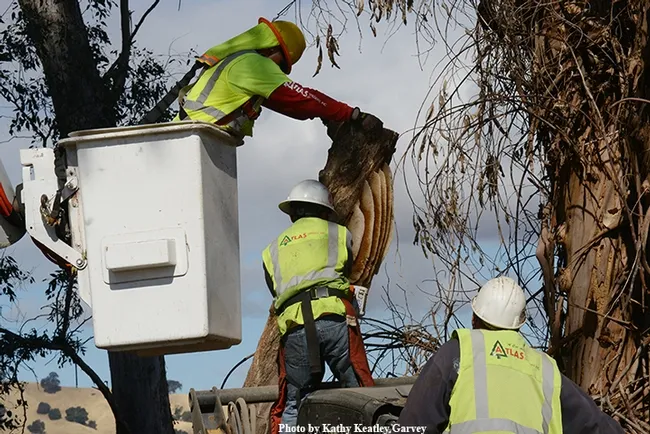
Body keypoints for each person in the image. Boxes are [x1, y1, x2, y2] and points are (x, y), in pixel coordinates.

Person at [398, 275, 625, 434]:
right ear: (518, 326)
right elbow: (595, 426)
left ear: (474, 318)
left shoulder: (457, 354)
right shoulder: (546, 371)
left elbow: (414, 425)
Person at [262, 180, 375, 433]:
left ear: (293, 212)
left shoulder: (271, 250)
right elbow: (346, 269)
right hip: (334, 316)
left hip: (295, 326)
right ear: (324, 210)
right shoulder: (338, 233)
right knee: (357, 391)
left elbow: (276, 290)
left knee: (294, 402)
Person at [174, 17, 383, 139]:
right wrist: (352, 114)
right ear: (271, 48)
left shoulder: (235, 61)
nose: (280, 71)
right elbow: (302, 99)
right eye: (282, 63)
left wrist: (325, 114)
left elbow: (293, 107)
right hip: (195, 138)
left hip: (191, 136)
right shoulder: (252, 64)